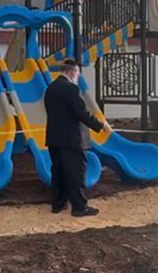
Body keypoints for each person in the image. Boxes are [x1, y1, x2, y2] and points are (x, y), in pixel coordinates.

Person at [43, 58, 109, 217]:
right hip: (72, 139)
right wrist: (101, 126)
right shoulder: (71, 89)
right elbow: (81, 113)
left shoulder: (50, 88)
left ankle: (58, 204)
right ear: (71, 72)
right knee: (76, 173)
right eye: (77, 74)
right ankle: (79, 207)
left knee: (58, 172)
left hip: (54, 137)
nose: (78, 77)